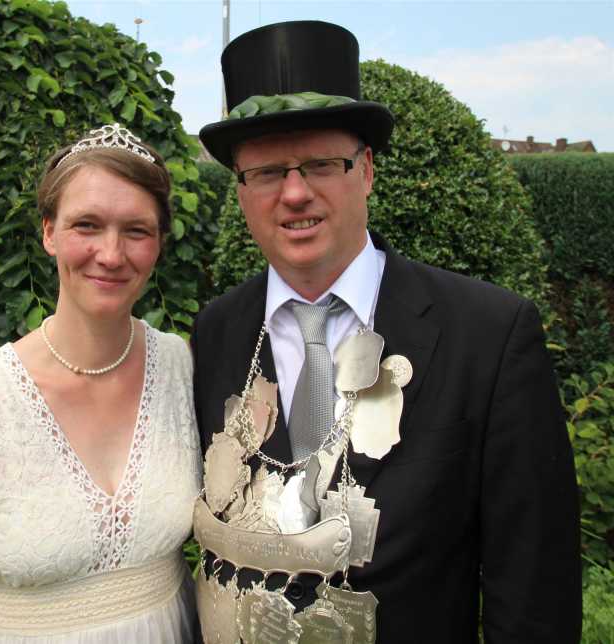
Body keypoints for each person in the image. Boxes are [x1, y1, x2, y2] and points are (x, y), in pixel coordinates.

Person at [190, 20, 581, 643]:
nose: (295, 193)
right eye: (266, 172)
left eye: (321, 164)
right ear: (240, 190)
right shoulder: (215, 331)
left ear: (367, 170)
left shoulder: (488, 335)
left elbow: (536, 593)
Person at [0, 123, 201, 643]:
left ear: (158, 244)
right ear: (49, 233)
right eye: (87, 225)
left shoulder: (183, 368)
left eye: (136, 230)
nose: (111, 254)